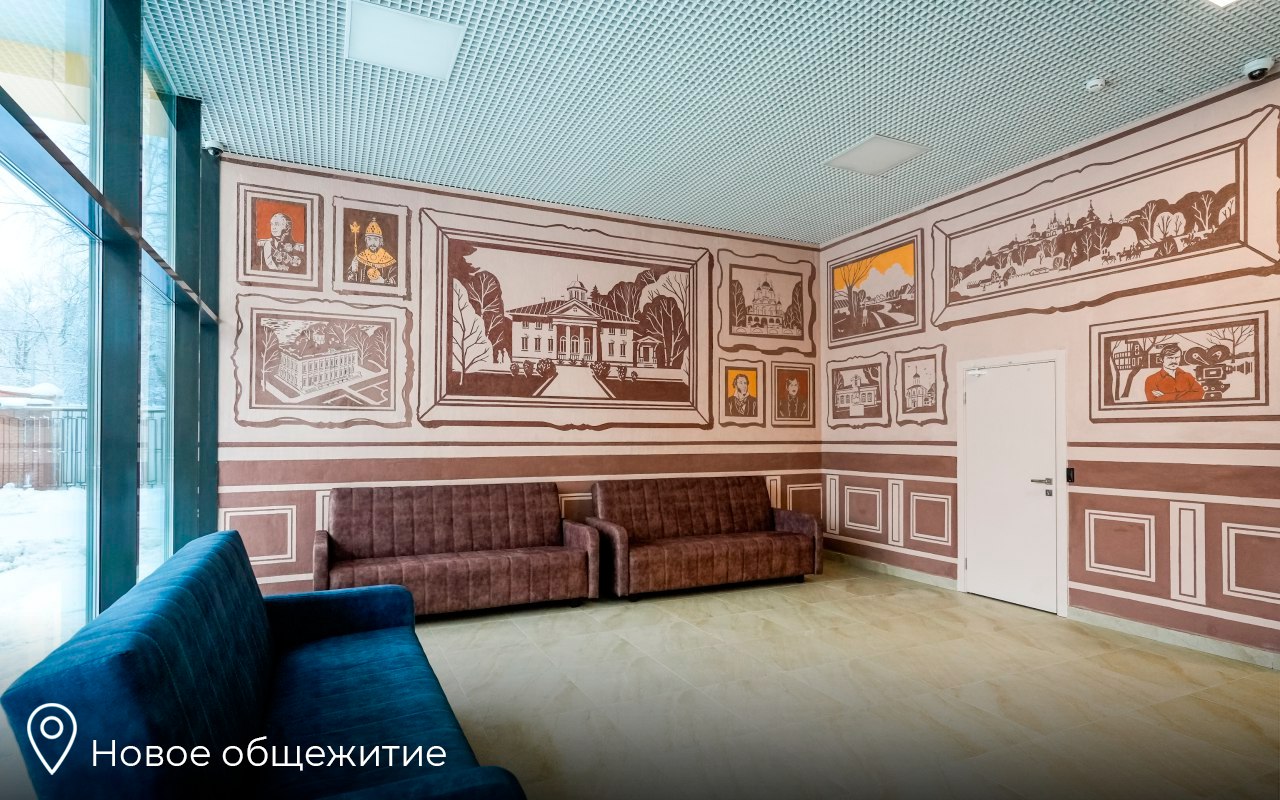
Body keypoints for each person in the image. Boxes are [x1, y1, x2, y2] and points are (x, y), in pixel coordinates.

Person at [348, 217, 397, 284]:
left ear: (380, 241)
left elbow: (396, 280)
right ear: (366, 241)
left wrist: (384, 282)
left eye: (376, 239)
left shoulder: (389, 260)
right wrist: (353, 271)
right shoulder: (359, 259)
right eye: (369, 239)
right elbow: (350, 282)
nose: (372, 243)